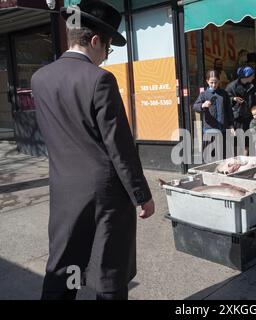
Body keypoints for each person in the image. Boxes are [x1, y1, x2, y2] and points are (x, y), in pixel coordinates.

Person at [30, 0, 155, 300]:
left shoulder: (40, 79)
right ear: (95, 41)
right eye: (108, 49)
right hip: (105, 196)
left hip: (63, 192)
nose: (105, 57)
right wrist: (142, 195)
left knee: (63, 272)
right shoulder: (99, 79)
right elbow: (120, 147)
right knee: (108, 274)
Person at [193, 70, 234, 160]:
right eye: (211, 82)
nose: (214, 85)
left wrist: (231, 125)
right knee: (209, 155)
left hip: (223, 128)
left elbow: (229, 110)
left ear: (219, 81)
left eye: (216, 82)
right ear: (207, 81)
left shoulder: (224, 94)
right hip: (209, 129)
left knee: (223, 154)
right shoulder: (203, 95)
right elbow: (195, 106)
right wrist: (202, 105)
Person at [225, 66, 256, 132]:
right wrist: (233, 99)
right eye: (252, 75)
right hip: (236, 118)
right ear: (247, 76)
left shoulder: (252, 86)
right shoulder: (231, 87)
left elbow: (254, 100)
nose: (254, 77)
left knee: (249, 139)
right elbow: (225, 100)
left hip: (248, 117)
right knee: (238, 140)